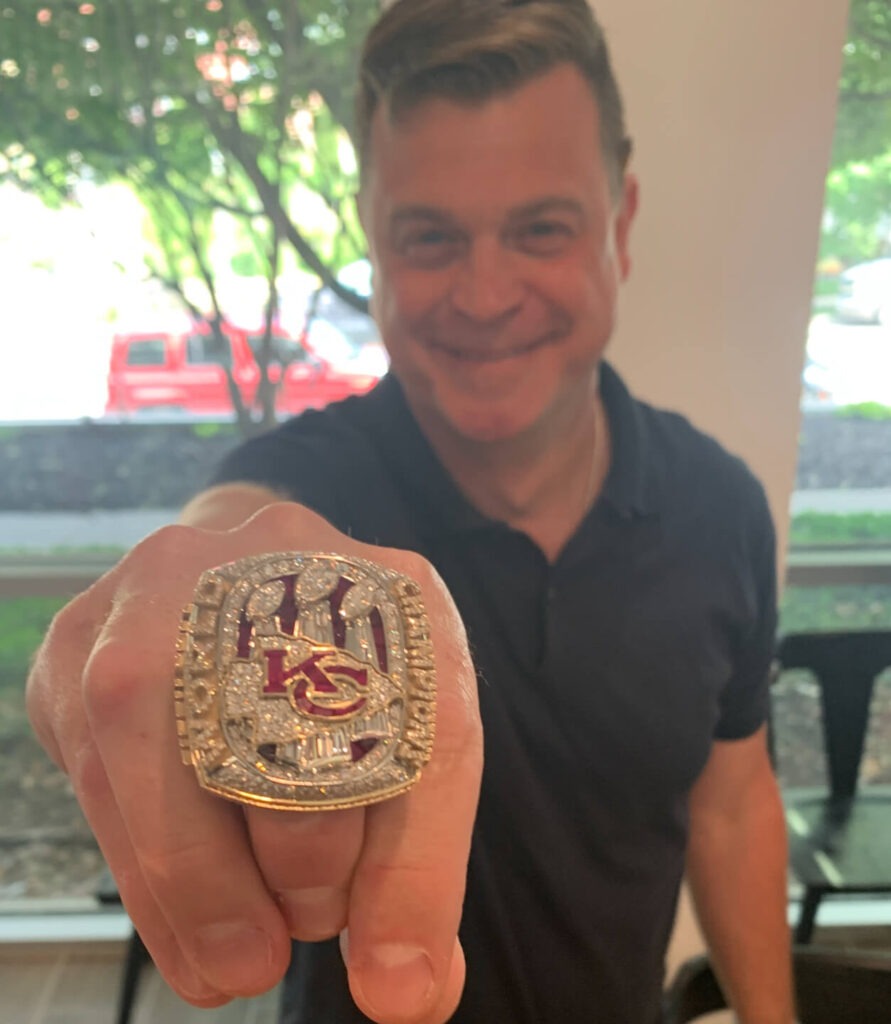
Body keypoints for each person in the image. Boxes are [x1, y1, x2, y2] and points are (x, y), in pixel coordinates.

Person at [27, 1, 795, 1022]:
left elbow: (732, 802)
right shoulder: (308, 492)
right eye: (430, 237)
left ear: (620, 223)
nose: (483, 295)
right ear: (374, 239)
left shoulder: (720, 507)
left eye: (540, 229)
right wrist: (181, 599)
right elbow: (232, 533)